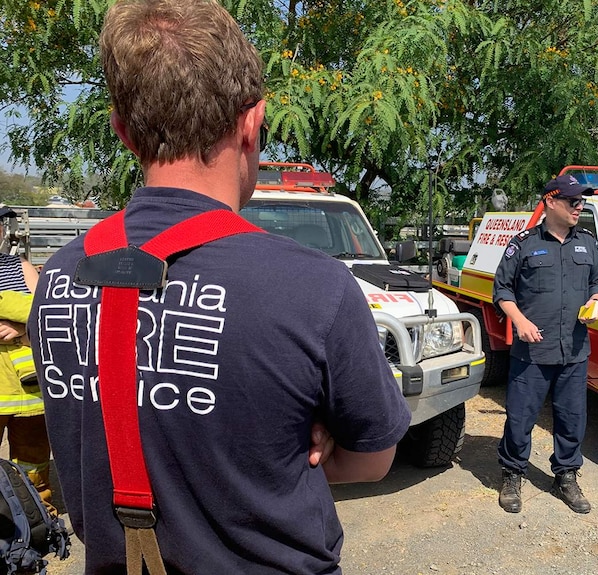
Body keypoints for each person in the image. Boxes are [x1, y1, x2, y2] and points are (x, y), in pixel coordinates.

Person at [26, 1, 411, 573]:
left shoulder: (58, 276)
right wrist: (296, 447)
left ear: (122, 131)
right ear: (252, 123)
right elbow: (374, 460)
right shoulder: (314, 289)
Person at [493, 174, 598, 515]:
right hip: (532, 352)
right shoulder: (524, 243)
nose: (580, 206)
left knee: (572, 418)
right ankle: (513, 472)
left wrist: (597, 301)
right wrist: (520, 321)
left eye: (582, 201)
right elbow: (502, 290)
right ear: (551, 201)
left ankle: (567, 475)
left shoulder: (587, 243)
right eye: (573, 201)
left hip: (573, 350)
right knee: (520, 417)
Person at [0, 207, 54, 512]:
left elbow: (47, 312)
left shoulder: (19, 267)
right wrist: (22, 309)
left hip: (30, 389)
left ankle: (36, 513)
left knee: (34, 460)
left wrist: (22, 325)